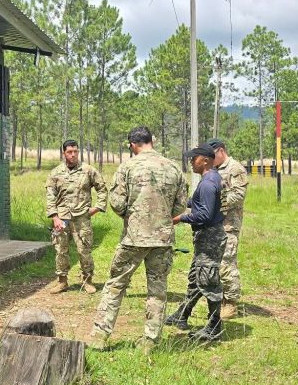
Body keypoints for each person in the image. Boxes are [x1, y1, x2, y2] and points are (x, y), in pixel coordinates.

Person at [88, 126, 187, 354]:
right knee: (157, 290)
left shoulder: (128, 167)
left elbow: (117, 202)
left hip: (134, 237)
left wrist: (130, 217)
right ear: (152, 141)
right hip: (162, 239)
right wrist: (162, 217)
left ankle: (100, 337)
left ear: (132, 145)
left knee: (115, 285)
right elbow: (180, 206)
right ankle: (150, 342)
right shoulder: (173, 168)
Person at [165, 145, 227, 341]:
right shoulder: (210, 179)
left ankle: (214, 326)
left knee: (208, 280)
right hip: (207, 237)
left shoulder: (208, 183)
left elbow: (205, 214)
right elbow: (197, 203)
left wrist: (181, 218)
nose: (191, 161)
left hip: (210, 236)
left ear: (206, 160)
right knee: (196, 277)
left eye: (195, 158)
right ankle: (182, 314)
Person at [45, 140, 107, 294]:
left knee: (84, 250)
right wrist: (55, 217)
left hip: (82, 217)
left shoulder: (88, 170)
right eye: (69, 152)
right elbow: (50, 196)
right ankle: (62, 282)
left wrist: (98, 207)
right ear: (64, 153)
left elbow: (102, 188)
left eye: (75, 151)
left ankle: (87, 281)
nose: (73, 155)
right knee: (61, 250)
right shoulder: (55, 173)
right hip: (62, 218)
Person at [205, 138, 249, 319]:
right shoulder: (214, 170)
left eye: (212, 155)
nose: (209, 159)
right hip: (213, 224)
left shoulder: (235, 169)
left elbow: (238, 195)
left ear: (221, 151)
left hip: (229, 225)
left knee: (227, 263)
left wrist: (214, 202)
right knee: (212, 263)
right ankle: (218, 298)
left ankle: (230, 302)